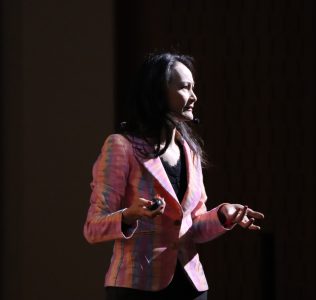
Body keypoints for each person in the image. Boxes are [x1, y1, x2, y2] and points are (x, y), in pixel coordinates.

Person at [83, 53, 264, 300]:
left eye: (193, 87)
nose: (194, 96)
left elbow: (193, 227)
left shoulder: (189, 151)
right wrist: (129, 215)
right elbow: (93, 227)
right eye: (185, 87)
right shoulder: (121, 146)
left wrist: (222, 215)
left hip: (191, 288)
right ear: (157, 93)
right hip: (138, 288)